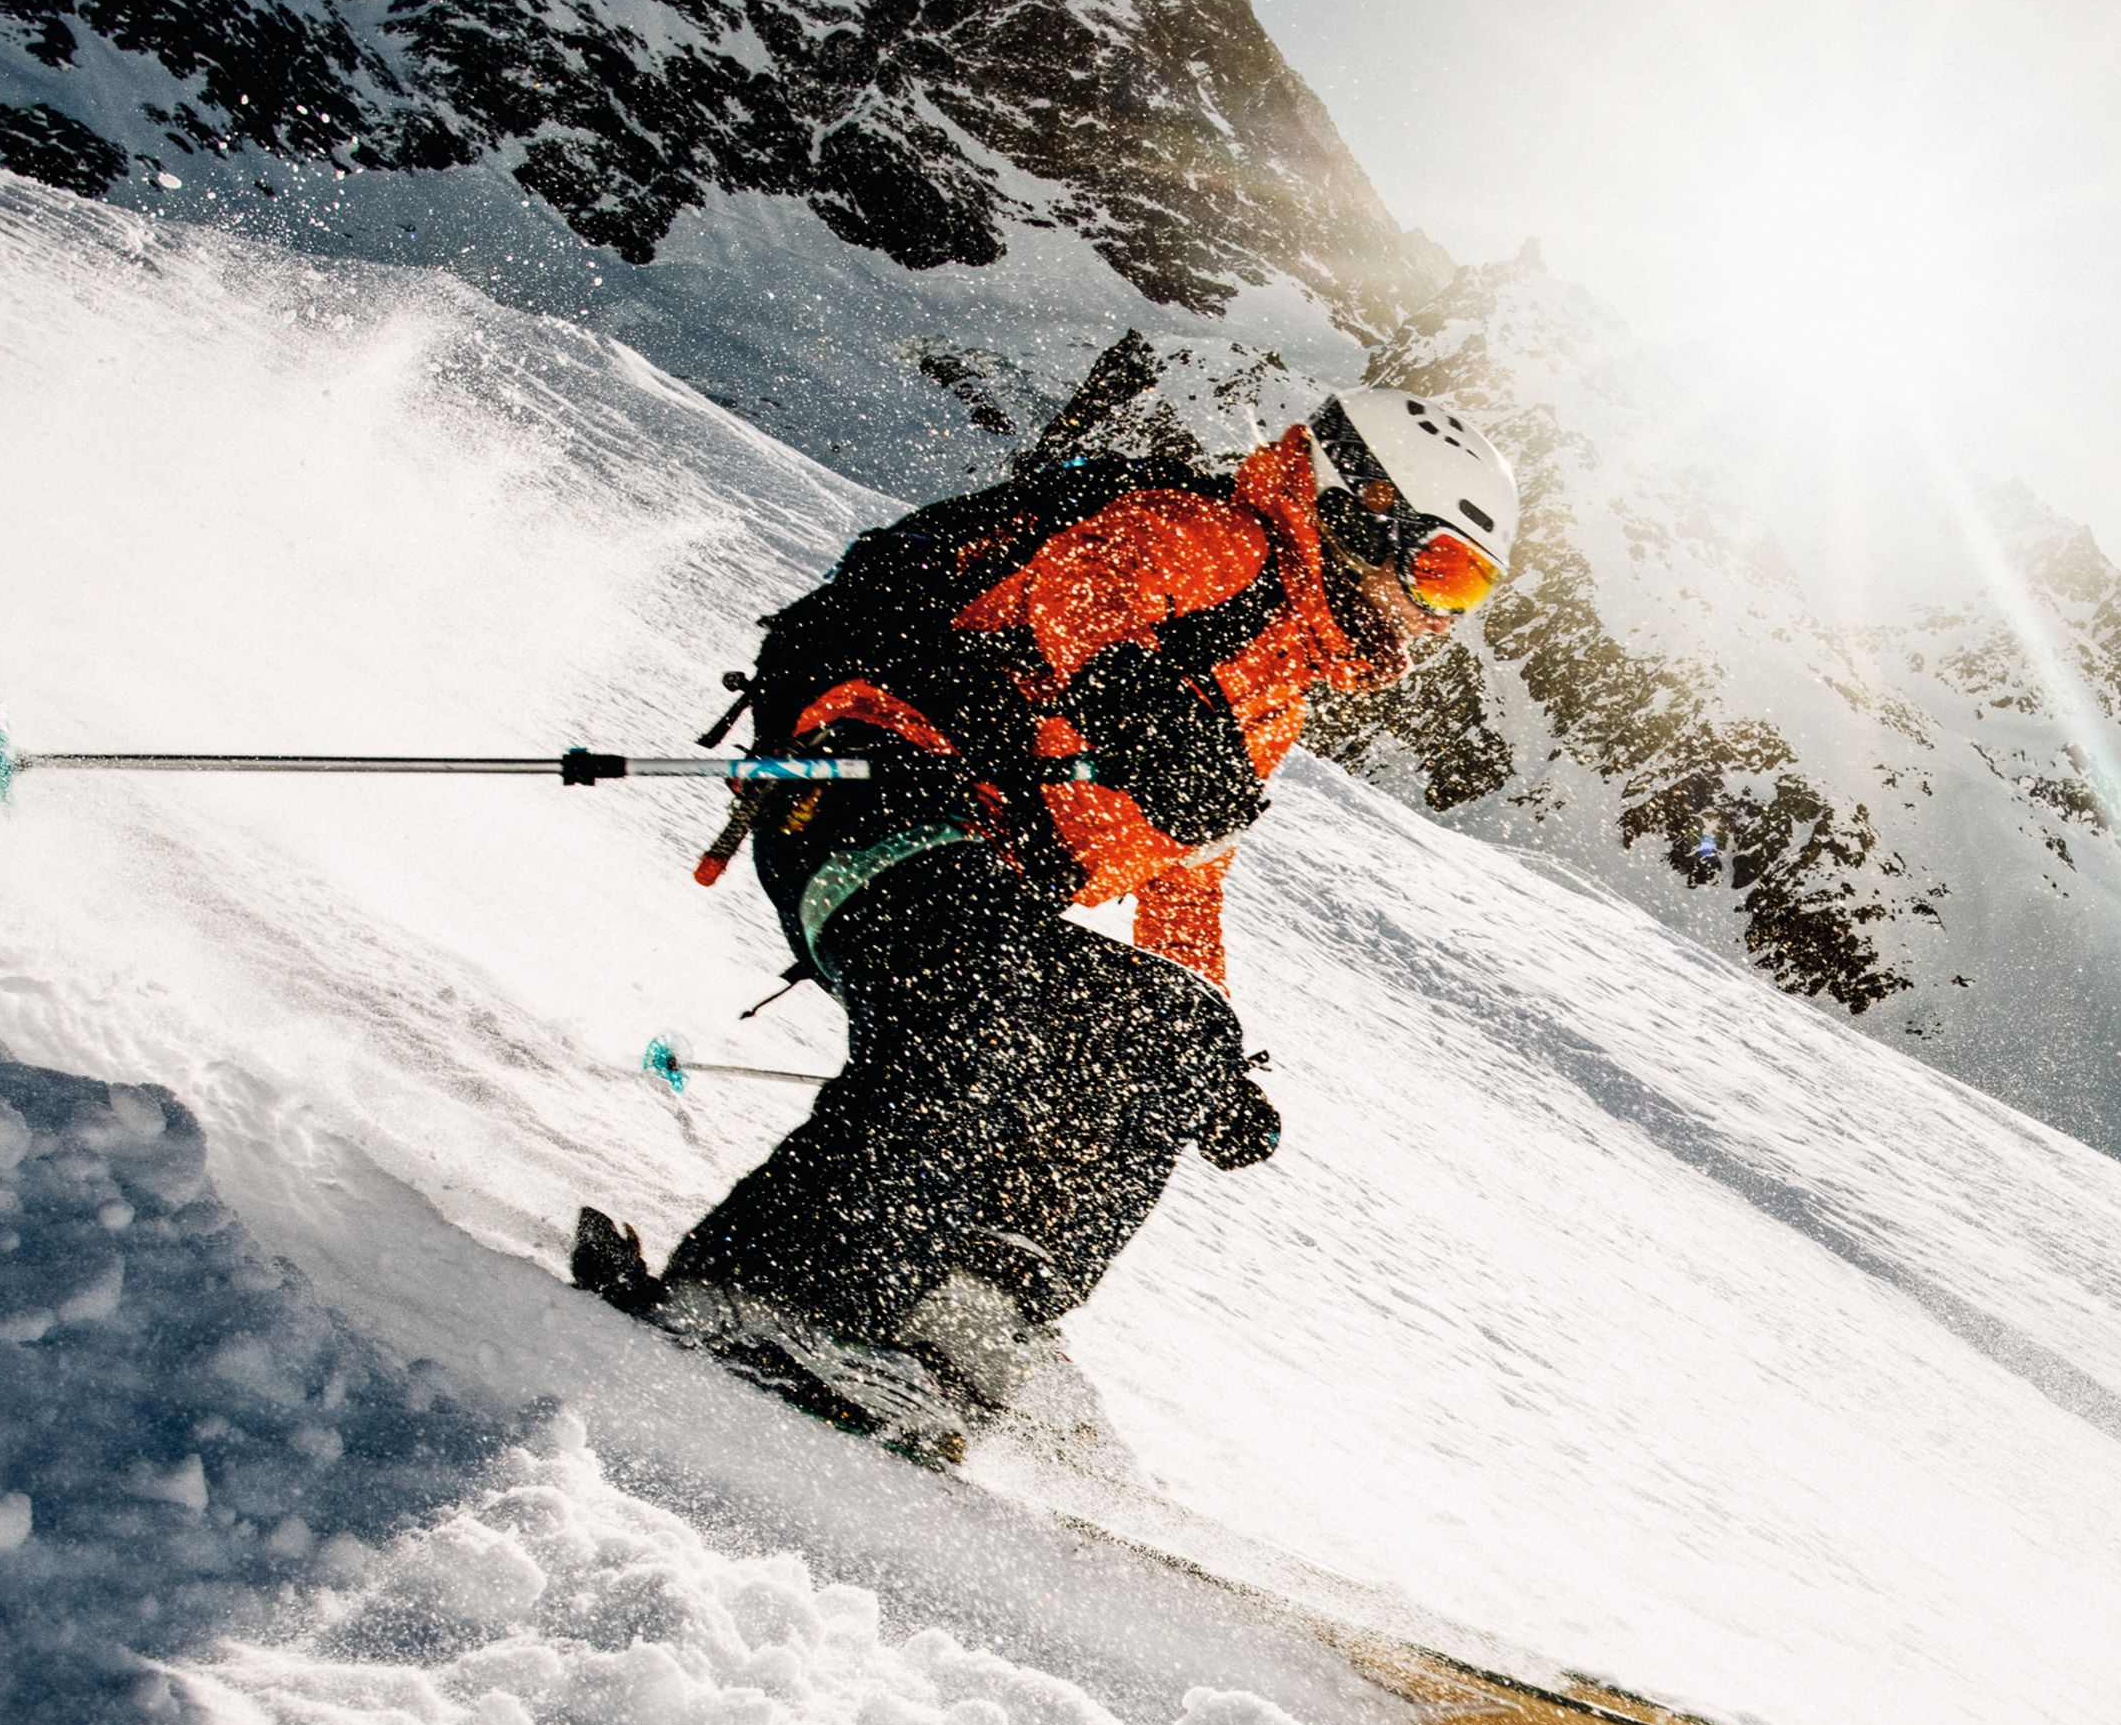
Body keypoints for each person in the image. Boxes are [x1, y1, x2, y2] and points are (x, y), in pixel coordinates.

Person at [573, 361, 1520, 1459]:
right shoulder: (1219, 540)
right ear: (1365, 507)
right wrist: (1127, 695)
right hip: (876, 791)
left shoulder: (1280, 684)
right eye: (1443, 572)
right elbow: (1085, 588)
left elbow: (1187, 874)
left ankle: (964, 1317)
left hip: (981, 875)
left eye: (1472, 596)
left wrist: (1208, 1042)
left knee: (1165, 1036)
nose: (1439, 617)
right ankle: (763, 1297)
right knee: (980, 1002)